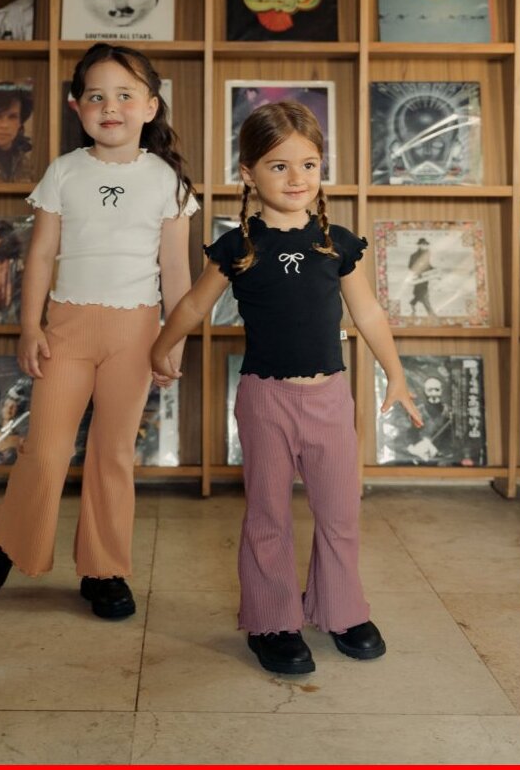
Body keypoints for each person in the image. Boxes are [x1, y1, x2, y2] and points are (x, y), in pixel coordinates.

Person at [150, 101, 423, 675]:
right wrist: (161, 347)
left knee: (340, 511)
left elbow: (368, 313)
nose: (296, 178)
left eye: (308, 165)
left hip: (330, 399)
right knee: (268, 515)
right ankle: (272, 620)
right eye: (279, 166)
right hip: (265, 401)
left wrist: (395, 374)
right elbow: (194, 305)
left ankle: (341, 609)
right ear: (248, 173)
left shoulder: (335, 244)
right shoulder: (237, 247)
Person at [0, 42, 197, 619]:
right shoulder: (64, 172)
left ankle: (104, 568)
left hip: (135, 335)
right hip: (66, 331)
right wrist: (29, 326)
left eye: (125, 95)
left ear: (151, 106)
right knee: (45, 450)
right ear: (77, 106)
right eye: (96, 96)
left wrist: (173, 344)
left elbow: (176, 272)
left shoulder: (166, 180)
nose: (110, 107)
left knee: (112, 454)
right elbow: (41, 255)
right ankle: (9, 542)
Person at [407, 237, 436, 317]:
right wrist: (418, 271)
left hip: (425, 278)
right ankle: (431, 314)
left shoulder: (427, 254)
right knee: (425, 295)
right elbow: (410, 266)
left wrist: (434, 270)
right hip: (418, 278)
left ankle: (413, 302)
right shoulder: (414, 256)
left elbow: (428, 265)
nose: (425, 246)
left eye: (426, 244)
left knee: (420, 294)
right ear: (419, 245)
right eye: (423, 244)